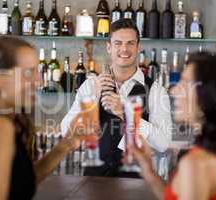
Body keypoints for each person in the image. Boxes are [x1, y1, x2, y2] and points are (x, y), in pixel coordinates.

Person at [128, 52, 216, 200]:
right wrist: (149, 172)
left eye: (185, 83)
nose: (173, 91)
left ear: (208, 95)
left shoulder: (196, 165)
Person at [0, 36, 83, 200]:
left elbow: (19, 183)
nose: (39, 81)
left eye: (37, 71)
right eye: (28, 72)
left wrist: (66, 145)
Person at [61, 19, 173, 177]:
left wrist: (126, 114)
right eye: (118, 43)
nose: (124, 49)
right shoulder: (91, 85)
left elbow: (163, 143)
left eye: (130, 43)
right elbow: (66, 131)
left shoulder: (156, 91)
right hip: (94, 180)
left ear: (138, 47)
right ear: (109, 47)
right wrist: (94, 97)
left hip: (136, 183)